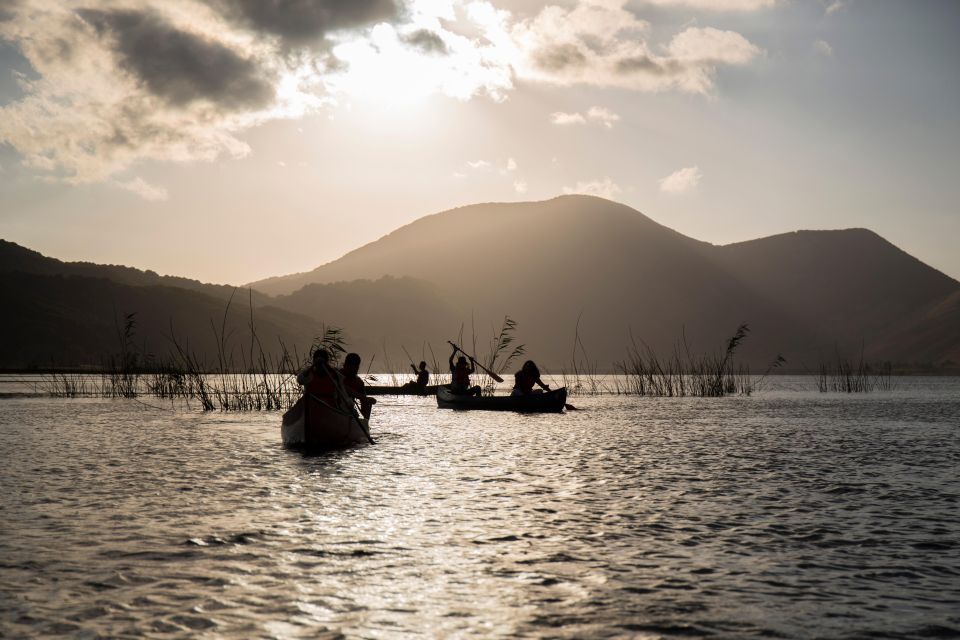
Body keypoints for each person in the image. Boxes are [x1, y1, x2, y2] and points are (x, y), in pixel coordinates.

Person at [339, 352, 376, 419]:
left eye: (355, 368)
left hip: (348, 412)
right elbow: (343, 388)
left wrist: (366, 420)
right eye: (351, 368)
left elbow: (364, 404)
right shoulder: (336, 376)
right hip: (336, 408)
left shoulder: (359, 383)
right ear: (345, 365)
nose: (354, 371)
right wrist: (364, 398)